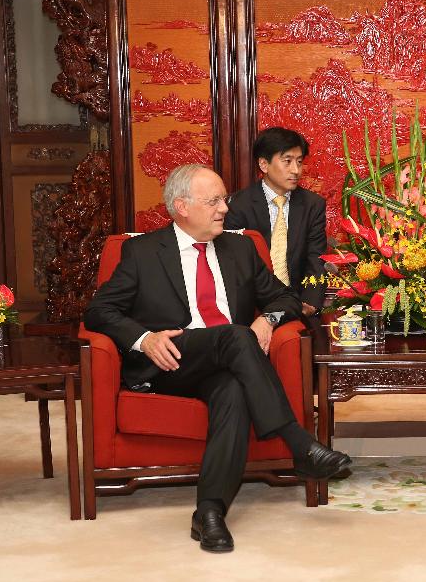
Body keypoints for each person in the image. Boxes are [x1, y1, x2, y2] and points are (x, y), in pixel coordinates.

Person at [84, 164, 351, 553]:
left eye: (223, 199)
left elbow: (286, 297)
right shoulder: (141, 252)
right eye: (213, 201)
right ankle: (298, 444)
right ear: (181, 206)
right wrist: (144, 339)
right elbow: (99, 311)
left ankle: (209, 513)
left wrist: (267, 319)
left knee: (232, 392)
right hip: (172, 362)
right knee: (234, 335)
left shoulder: (239, 247)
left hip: (229, 361)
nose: (224, 208)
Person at [224, 127, 327, 317]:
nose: (296, 170)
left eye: (299, 162)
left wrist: (310, 302)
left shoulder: (313, 205)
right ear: (264, 164)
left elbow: (316, 259)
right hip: (250, 306)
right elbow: (234, 265)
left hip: (298, 303)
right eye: (287, 161)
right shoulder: (238, 205)